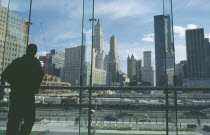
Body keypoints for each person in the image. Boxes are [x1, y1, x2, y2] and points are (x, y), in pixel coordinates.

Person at [1, 44, 44, 135]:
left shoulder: (17, 61)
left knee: (13, 120)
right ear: (34, 52)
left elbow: (4, 74)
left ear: (26, 50)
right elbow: (40, 76)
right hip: (28, 95)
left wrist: (14, 82)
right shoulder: (35, 63)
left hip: (16, 95)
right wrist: (34, 87)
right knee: (30, 119)